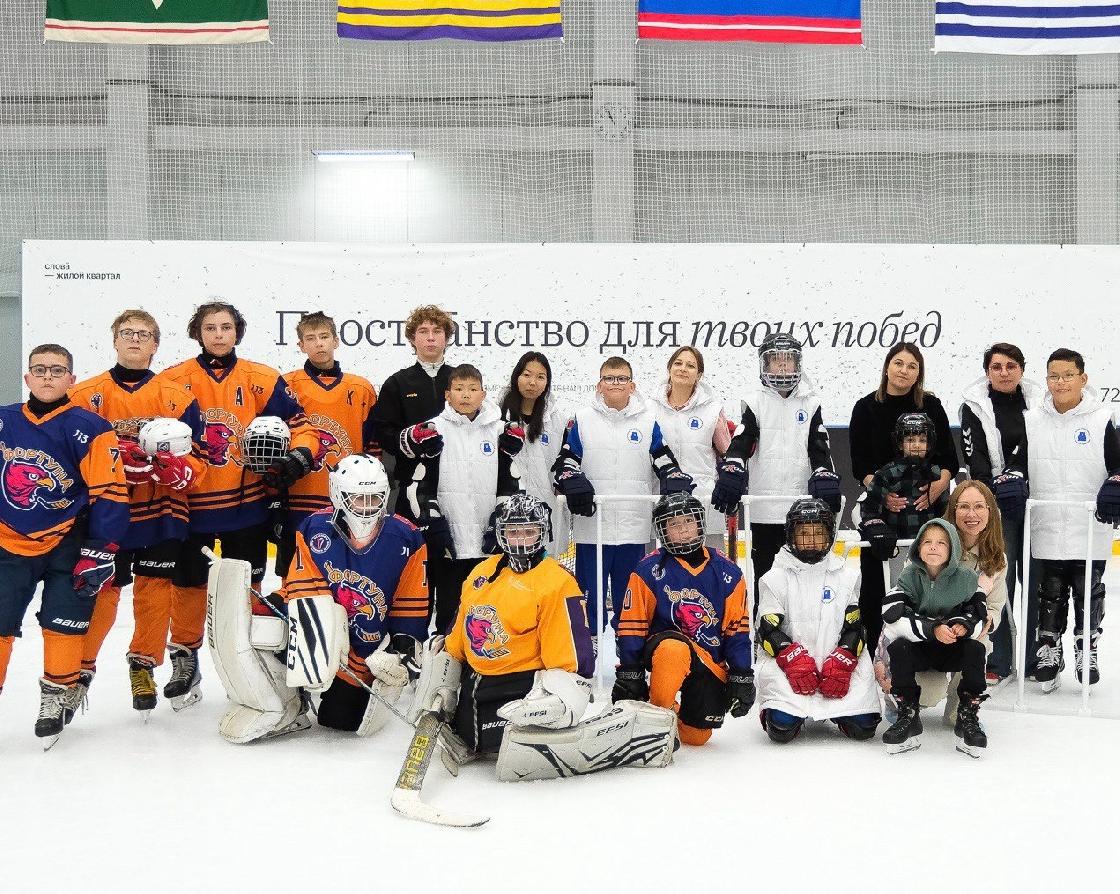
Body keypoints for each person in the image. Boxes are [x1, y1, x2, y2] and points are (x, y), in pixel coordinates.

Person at [407, 494, 677, 780]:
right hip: (477, 684)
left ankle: (592, 733)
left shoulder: (557, 581)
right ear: (500, 534)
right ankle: (457, 725)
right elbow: (458, 635)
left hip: (523, 685)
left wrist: (553, 696)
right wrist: (441, 675)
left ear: (542, 532)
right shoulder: (481, 573)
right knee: (440, 656)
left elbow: (571, 660)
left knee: (555, 692)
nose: (521, 540)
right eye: (513, 532)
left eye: (528, 531)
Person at [160, 300, 320, 709]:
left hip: (246, 506)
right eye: (210, 327)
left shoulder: (261, 378)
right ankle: (185, 656)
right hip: (191, 507)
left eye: (226, 327)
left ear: (237, 332)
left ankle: (253, 659)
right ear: (198, 332)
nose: (218, 334)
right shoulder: (174, 380)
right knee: (189, 586)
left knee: (246, 591)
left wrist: (300, 455)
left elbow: (301, 425)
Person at [68, 310, 207, 715]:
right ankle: (78, 669)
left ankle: (143, 663)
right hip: (106, 510)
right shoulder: (86, 394)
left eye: (144, 334)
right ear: (114, 340)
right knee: (103, 590)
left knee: (155, 588)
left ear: (155, 344)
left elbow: (197, 457)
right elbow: (67, 454)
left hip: (161, 507)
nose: (135, 340)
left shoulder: (175, 395)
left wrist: (181, 471)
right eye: (127, 333)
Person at [0, 344, 128, 742]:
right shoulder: (3, 420)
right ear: (27, 378)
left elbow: (110, 492)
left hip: (68, 540)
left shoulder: (91, 427)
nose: (48, 377)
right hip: (7, 541)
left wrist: (101, 547)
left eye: (57, 370)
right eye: (39, 370)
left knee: (63, 622)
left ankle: (56, 693)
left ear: (72, 379)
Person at [997, 348, 1120, 691]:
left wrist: (1115, 484)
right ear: (1046, 380)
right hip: (1047, 522)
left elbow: (1118, 466)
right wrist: (1012, 478)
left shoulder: (1101, 418)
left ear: (1083, 378)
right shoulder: (1032, 419)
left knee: (1087, 592)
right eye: (1053, 376)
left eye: (1068, 375)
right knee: (1048, 593)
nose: (1060, 381)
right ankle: (1050, 648)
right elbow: (1018, 463)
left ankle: (1087, 647)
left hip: (1088, 525)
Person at [279, 455, 428, 736]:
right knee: (268, 623)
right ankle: (289, 698)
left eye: (375, 498)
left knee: (339, 720)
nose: (368, 507)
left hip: (366, 646)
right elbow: (302, 586)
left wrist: (404, 642)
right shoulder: (314, 528)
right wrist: (326, 639)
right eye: (359, 499)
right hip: (325, 634)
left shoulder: (406, 536)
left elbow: (410, 598)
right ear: (338, 494)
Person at [552, 356, 693, 635]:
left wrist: (673, 478)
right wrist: (573, 479)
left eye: (622, 379)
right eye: (609, 378)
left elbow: (663, 458)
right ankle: (587, 660)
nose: (615, 384)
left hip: (633, 527)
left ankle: (627, 661)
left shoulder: (648, 419)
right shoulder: (582, 419)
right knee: (587, 600)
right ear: (599, 385)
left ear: (632, 385)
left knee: (628, 602)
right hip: (593, 527)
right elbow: (566, 460)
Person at [613, 492, 754, 746]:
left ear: (700, 524)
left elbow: (737, 629)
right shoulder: (648, 569)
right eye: (674, 524)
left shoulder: (728, 571)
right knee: (674, 650)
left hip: (709, 659)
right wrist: (630, 672)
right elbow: (632, 625)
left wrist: (741, 674)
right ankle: (655, 719)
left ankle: (670, 716)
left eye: (688, 522)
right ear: (663, 531)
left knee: (696, 737)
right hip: (667, 649)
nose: (683, 530)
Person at [848, 342, 959, 653]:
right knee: (875, 582)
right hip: (883, 504)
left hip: (927, 505)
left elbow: (950, 458)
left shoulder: (931, 406)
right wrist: (882, 494)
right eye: (899, 363)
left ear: (918, 374)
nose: (904, 370)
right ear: (887, 367)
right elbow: (860, 465)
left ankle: (927, 644)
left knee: (926, 576)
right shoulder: (865, 407)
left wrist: (940, 485)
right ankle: (874, 652)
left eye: (912, 366)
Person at [712, 333, 841, 597]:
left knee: (804, 576)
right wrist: (733, 466)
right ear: (764, 365)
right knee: (767, 577)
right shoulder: (755, 401)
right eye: (775, 361)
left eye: (788, 360)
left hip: (802, 508)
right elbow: (743, 439)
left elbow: (818, 445)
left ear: (798, 364)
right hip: (764, 509)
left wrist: (824, 473)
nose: (782, 366)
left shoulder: (811, 401)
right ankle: (765, 631)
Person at [405, 363, 522, 633]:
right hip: (450, 547)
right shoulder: (434, 430)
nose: (466, 395)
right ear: (447, 394)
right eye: (459, 389)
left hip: (488, 545)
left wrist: (500, 527)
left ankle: (484, 667)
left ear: (483, 394)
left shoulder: (499, 431)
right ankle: (445, 666)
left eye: (472, 389)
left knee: (490, 611)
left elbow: (511, 483)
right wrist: (433, 526)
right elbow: (419, 486)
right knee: (448, 611)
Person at [755, 498, 881, 743]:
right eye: (804, 532)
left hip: (836, 663)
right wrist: (792, 658)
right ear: (791, 536)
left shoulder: (847, 575)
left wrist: (844, 657)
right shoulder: (774, 578)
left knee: (864, 729)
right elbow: (768, 629)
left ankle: (840, 713)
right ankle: (794, 712)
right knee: (780, 729)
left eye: (818, 532)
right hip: (790, 664)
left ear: (830, 534)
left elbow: (855, 625)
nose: (811, 539)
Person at [959, 342, 1042, 680]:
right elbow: (973, 457)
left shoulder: (1041, 402)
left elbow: (1042, 446)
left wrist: (1020, 475)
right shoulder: (973, 406)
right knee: (998, 582)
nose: (1004, 372)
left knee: (1036, 581)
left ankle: (1037, 658)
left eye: (1011, 365)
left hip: (1036, 502)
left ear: (1021, 369)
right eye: (997, 367)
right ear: (987, 372)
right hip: (996, 507)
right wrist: (993, 494)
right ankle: (998, 658)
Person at [279, 311, 378, 578]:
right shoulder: (287, 385)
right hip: (299, 497)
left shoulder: (362, 388)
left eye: (324, 337)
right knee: (293, 577)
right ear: (301, 345)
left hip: (349, 501)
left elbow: (373, 448)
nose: (319, 344)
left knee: (345, 576)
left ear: (336, 341)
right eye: (310, 338)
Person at [880, 519, 989, 757]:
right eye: (927, 542)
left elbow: (980, 613)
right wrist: (933, 628)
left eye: (941, 543)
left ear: (953, 550)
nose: (933, 547)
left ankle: (967, 713)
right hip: (920, 650)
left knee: (975, 649)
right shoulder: (908, 577)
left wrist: (963, 625)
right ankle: (908, 713)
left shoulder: (967, 579)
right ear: (918, 548)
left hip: (951, 649)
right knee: (899, 647)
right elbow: (892, 616)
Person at [908, 481, 1009, 722]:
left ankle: (960, 710)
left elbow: (994, 605)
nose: (971, 514)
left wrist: (986, 622)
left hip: (966, 631)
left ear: (989, 511)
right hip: (930, 629)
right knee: (928, 695)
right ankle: (903, 699)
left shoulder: (996, 559)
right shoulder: (935, 544)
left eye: (978, 507)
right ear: (953, 511)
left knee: (981, 646)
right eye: (963, 506)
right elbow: (909, 593)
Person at [371, 305, 455, 520]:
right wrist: (410, 440)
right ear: (412, 338)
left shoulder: (462, 380)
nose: (430, 338)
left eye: (437, 331)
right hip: (412, 484)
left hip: (459, 483)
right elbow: (383, 432)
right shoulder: (397, 383)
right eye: (423, 331)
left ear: (447, 338)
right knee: (415, 552)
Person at [650, 346, 733, 552]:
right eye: (678, 363)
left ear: (699, 374)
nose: (683, 369)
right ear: (669, 369)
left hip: (702, 496)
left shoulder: (713, 409)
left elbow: (728, 453)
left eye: (690, 365)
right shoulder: (648, 408)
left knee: (711, 561)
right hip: (661, 496)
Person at [497, 351, 570, 555]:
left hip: (545, 510)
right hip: (508, 512)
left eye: (540, 377)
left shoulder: (557, 421)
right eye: (527, 375)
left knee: (544, 576)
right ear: (516, 377)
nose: (533, 382)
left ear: (547, 382)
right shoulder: (496, 416)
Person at [858, 412, 943, 540]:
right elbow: (869, 507)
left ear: (929, 444)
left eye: (922, 440)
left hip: (930, 543)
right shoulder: (886, 473)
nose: (916, 445)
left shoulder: (936, 474)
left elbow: (946, 509)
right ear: (900, 444)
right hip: (895, 544)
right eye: (910, 440)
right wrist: (877, 530)